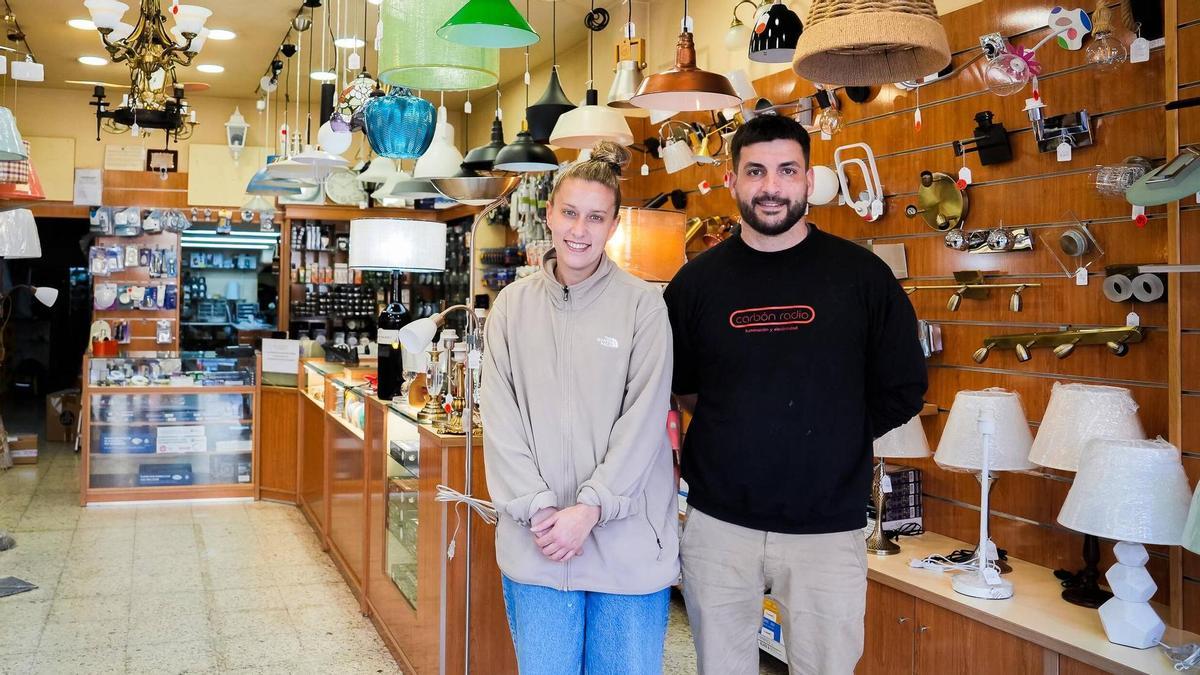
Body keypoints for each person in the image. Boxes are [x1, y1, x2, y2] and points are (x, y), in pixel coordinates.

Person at [664, 114, 928, 674]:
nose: (771, 187)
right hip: (719, 526)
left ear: (809, 180)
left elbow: (905, 388)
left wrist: (835, 432)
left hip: (827, 531)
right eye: (755, 171)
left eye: (787, 171)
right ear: (732, 180)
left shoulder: (863, 277)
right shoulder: (694, 285)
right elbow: (681, 388)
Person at [481, 140, 680, 675]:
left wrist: (590, 509)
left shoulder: (644, 307)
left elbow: (644, 423)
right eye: (570, 213)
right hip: (540, 544)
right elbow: (499, 418)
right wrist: (539, 509)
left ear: (613, 224)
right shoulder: (511, 307)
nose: (579, 229)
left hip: (626, 548)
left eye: (595, 217)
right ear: (549, 213)